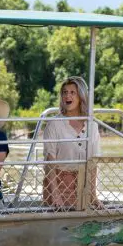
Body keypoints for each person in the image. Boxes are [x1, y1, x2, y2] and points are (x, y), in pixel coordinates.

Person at [42, 76, 102, 209]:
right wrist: (55, 194)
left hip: (83, 185)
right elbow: (49, 162)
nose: (67, 96)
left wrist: (93, 195)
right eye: (64, 92)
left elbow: (93, 163)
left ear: (81, 96)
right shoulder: (54, 124)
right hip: (58, 184)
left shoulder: (92, 126)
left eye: (72, 92)